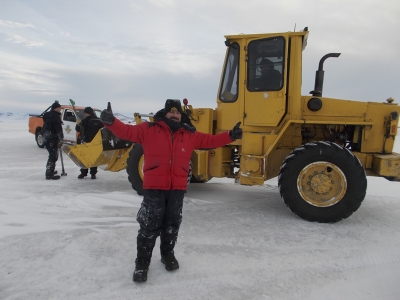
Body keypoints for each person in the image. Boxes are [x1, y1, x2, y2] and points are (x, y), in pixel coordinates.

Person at [100, 99, 242, 283]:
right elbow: (127, 132)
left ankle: (167, 256)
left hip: (177, 189)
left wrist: (231, 135)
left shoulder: (189, 134)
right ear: (165, 113)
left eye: (177, 113)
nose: (174, 115)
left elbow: (211, 140)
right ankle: (142, 264)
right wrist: (110, 122)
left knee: (172, 225)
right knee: (149, 227)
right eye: (171, 112)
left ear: (181, 115)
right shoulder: (148, 129)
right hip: (154, 189)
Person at [75, 107, 104, 179]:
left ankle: (88, 173)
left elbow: (78, 129)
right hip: (90, 142)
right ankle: (88, 173)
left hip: (91, 142)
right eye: (84, 113)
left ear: (89, 113)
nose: (84, 114)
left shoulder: (93, 121)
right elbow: (78, 129)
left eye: (85, 113)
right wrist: (78, 124)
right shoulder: (86, 121)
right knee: (89, 158)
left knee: (89, 158)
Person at [43, 101, 64, 180]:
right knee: (53, 156)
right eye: (59, 108)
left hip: (46, 136)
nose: (60, 110)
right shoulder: (55, 117)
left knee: (51, 154)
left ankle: (51, 169)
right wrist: (61, 138)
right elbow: (58, 129)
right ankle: (49, 174)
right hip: (52, 137)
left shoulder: (47, 115)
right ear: (56, 108)